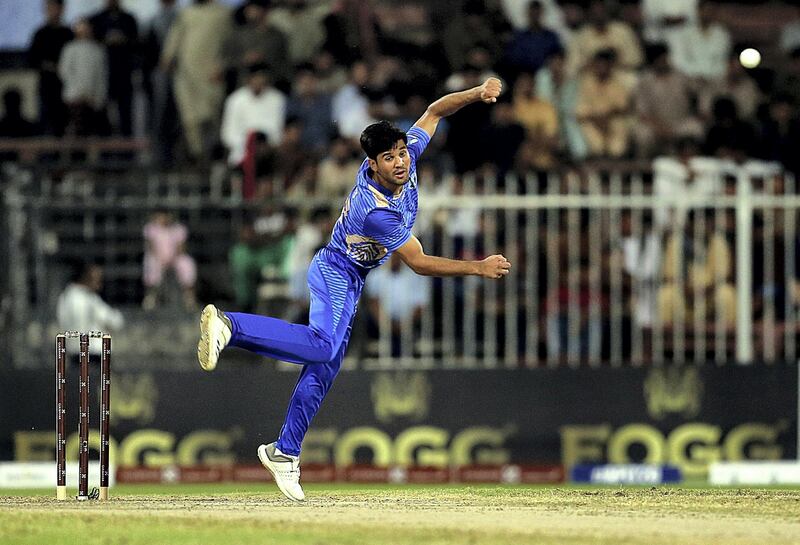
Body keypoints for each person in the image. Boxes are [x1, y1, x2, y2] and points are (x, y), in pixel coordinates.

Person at [196, 78, 509, 501]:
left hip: (355, 278)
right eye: (389, 157)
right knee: (323, 348)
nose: (400, 162)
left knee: (323, 369)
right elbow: (417, 262)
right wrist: (477, 267)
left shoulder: (408, 156)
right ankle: (231, 327)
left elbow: (434, 110)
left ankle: (284, 453)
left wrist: (475, 93)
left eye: (401, 152)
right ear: (373, 164)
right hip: (335, 271)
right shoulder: (374, 210)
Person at [56, 262, 124, 357]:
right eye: (97, 280)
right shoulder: (89, 299)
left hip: (74, 351)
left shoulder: (64, 298)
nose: (99, 285)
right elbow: (115, 321)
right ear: (86, 277)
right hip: (93, 353)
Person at [28, 0, 73, 136]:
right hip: (46, 84)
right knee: (45, 121)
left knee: (64, 122)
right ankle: (47, 155)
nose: (52, 11)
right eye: (49, 8)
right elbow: (32, 59)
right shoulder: (40, 33)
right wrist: (47, 65)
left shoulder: (68, 33)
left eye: (55, 8)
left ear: (62, 9)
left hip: (66, 86)